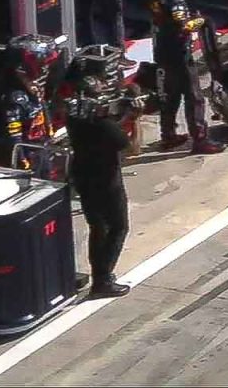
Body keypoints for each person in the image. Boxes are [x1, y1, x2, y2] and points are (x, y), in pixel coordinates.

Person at [65, 78, 135, 298]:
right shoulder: (103, 125)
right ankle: (102, 279)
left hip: (82, 176)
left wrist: (116, 116)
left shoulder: (74, 118)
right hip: (106, 180)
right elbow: (129, 146)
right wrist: (131, 117)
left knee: (98, 227)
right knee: (118, 227)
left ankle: (100, 276)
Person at [149, 0, 223, 155]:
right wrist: (201, 21)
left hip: (161, 51)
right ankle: (200, 139)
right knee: (194, 97)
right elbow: (184, 26)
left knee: (170, 95)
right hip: (179, 54)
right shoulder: (176, 1)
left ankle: (168, 135)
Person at [0, 34, 61, 170]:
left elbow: (42, 105)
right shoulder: (15, 99)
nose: (43, 71)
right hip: (28, 150)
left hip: (41, 145)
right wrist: (21, 158)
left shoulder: (35, 90)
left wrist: (49, 129)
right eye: (40, 66)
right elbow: (15, 136)